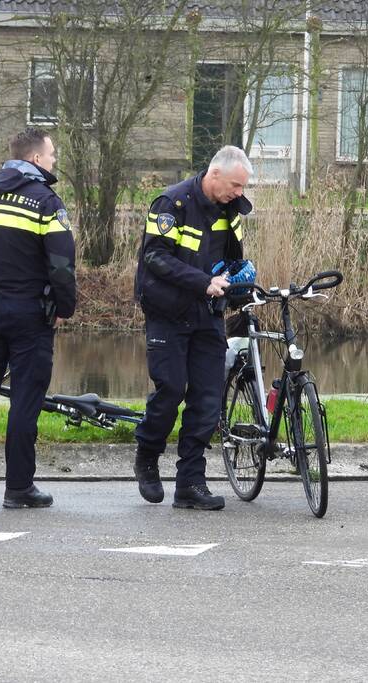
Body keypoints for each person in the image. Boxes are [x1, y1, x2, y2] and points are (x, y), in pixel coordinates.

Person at [0, 128, 77, 509]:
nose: (54, 161)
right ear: (36, 159)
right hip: (31, 315)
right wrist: (64, 308)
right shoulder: (46, 203)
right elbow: (62, 266)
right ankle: (19, 488)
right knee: (25, 401)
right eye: (51, 155)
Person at [132, 146, 254, 511]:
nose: (239, 193)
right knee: (170, 390)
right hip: (167, 312)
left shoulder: (231, 209)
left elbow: (232, 257)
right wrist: (203, 282)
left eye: (243, 187)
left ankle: (190, 483)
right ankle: (147, 455)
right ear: (214, 175)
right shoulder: (171, 204)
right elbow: (155, 256)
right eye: (235, 185)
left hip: (207, 314)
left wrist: (239, 280)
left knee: (207, 399)